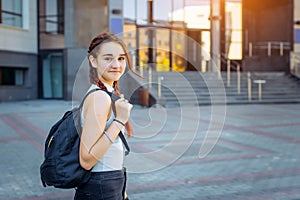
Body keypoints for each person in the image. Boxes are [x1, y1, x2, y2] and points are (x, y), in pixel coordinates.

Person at [74, 32, 134, 200]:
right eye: (108, 58)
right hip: (100, 187)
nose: (116, 64)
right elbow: (86, 159)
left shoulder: (106, 93)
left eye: (121, 58)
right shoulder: (99, 97)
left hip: (110, 184)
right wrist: (119, 121)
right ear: (93, 60)